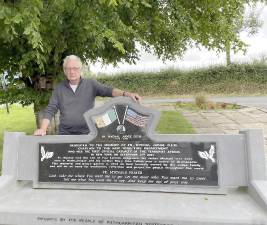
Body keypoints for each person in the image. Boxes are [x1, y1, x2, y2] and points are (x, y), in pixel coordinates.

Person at [34, 55, 141, 136]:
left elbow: (109, 91)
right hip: (65, 134)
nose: (72, 71)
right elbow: (50, 110)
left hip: (88, 133)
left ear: (80, 70)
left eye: (75, 68)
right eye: (68, 68)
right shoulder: (59, 88)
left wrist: (126, 94)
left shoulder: (91, 84)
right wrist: (43, 129)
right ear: (64, 71)